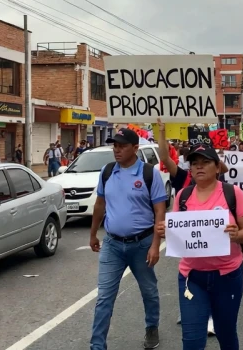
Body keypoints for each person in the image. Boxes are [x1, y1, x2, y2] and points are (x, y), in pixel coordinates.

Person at [156, 144, 243, 350]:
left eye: (205, 162)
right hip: (192, 277)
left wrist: (237, 235)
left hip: (227, 276)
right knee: (191, 339)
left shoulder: (232, 193)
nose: (199, 167)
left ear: (217, 167)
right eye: (194, 164)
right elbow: (179, 233)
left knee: (226, 332)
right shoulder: (183, 196)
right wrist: (165, 230)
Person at [89, 128, 168, 350]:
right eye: (115, 146)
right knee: (104, 297)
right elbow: (100, 204)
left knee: (149, 291)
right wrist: (93, 233)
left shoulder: (149, 173)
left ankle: (152, 327)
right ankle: (97, 345)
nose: (117, 150)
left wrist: (155, 246)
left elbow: (160, 211)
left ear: (135, 148)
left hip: (142, 245)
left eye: (122, 146)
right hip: (112, 244)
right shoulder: (107, 172)